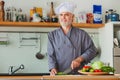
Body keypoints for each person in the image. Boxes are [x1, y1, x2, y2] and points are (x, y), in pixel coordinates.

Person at [47, 2, 98, 76]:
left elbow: (92, 50)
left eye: (66, 15)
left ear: (72, 17)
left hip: (78, 74)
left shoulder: (82, 34)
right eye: (61, 15)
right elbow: (50, 55)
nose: (63, 17)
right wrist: (52, 68)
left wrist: (79, 59)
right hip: (59, 75)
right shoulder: (52, 35)